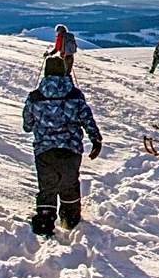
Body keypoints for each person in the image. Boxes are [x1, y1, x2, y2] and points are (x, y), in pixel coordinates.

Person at [23, 57, 102, 236]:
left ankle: (44, 220)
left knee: (47, 185)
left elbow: (27, 125)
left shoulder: (35, 97)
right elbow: (87, 119)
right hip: (70, 148)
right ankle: (70, 220)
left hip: (44, 150)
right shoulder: (75, 95)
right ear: (64, 71)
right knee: (69, 184)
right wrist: (96, 140)